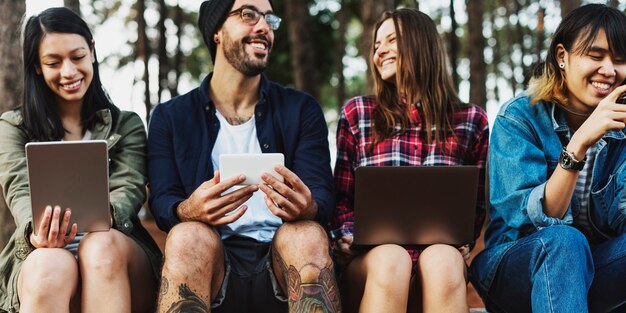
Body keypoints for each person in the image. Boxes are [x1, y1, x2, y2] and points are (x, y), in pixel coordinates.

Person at [147, 0, 340, 312]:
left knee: (307, 234)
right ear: (217, 31)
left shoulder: (301, 109)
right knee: (187, 236)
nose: (264, 27)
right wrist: (188, 209)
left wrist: (309, 206)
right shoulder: (171, 117)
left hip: (282, 258)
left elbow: (322, 196)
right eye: (248, 14)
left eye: (269, 18)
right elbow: (163, 201)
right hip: (212, 259)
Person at [0, 7, 162, 313]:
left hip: (116, 248)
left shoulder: (125, 124)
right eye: (53, 62)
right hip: (44, 250)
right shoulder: (13, 127)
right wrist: (36, 230)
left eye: (77, 57)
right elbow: (19, 191)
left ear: (92, 51)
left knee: (99, 246)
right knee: (49, 264)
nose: (69, 72)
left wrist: (108, 214)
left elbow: (129, 189)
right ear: (36, 66)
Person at [469, 4, 626, 313]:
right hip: (518, 266)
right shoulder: (519, 118)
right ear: (562, 57)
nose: (609, 70)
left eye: (620, 60)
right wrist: (579, 143)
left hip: (593, 271)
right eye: (596, 56)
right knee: (564, 242)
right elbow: (536, 220)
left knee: (574, 251)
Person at [330, 8, 489, 313]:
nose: (380, 52)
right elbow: (341, 200)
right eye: (376, 46)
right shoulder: (358, 114)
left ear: (420, 44)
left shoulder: (471, 120)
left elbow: (473, 210)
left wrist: (463, 239)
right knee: (392, 259)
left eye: (391, 41)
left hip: (438, 263)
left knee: (443, 260)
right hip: (373, 263)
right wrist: (348, 235)